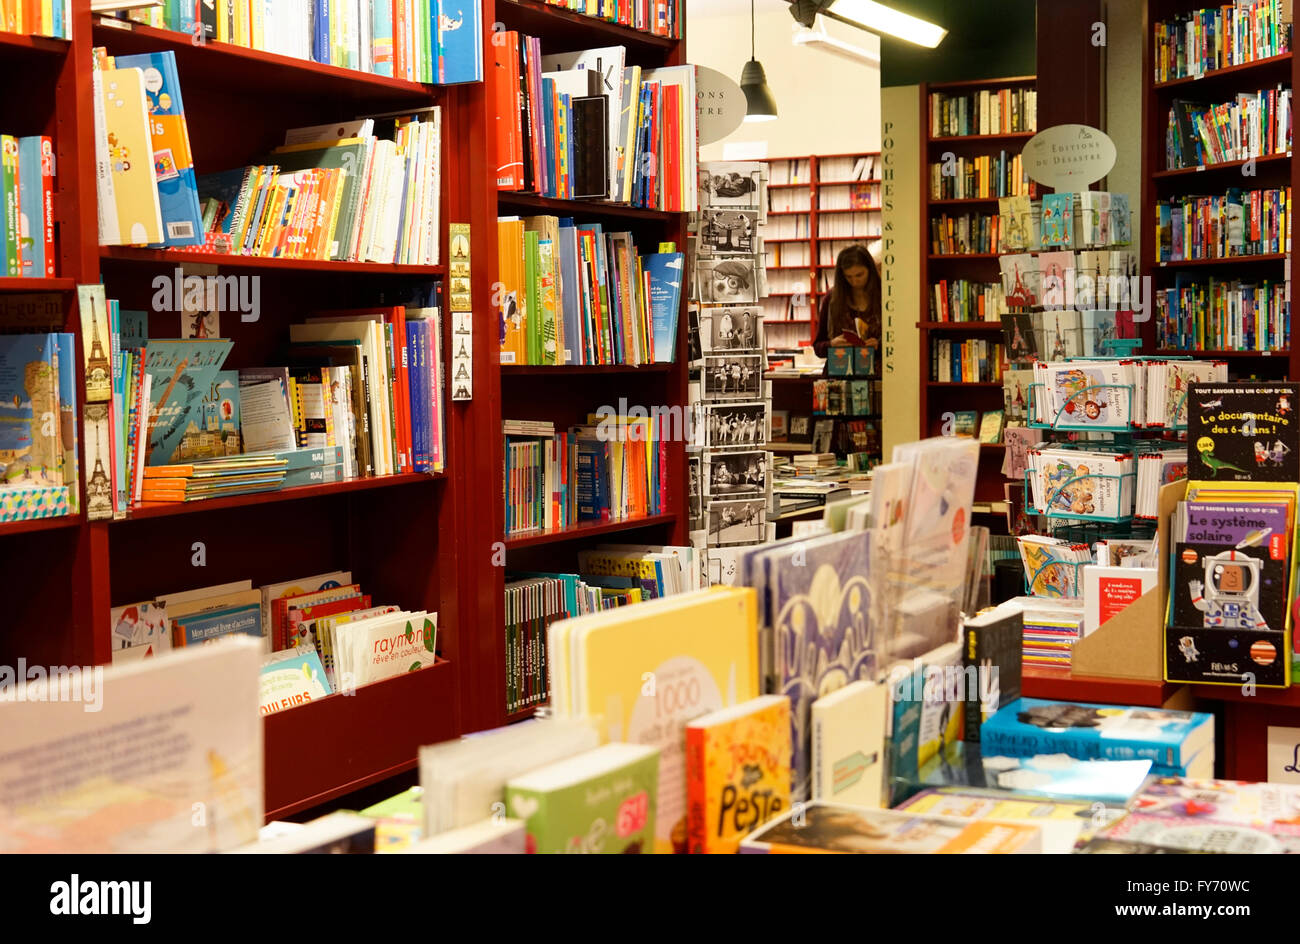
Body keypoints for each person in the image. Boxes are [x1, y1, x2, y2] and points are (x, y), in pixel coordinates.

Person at [813, 244, 882, 359]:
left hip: (877, 372)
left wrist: (879, 345)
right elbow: (818, 347)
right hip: (839, 370)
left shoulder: (884, 297)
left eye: (859, 275)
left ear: (870, 270)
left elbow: (900, 343)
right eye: (848, 277)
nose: (854, 281)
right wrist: (831, 344)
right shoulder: (832, 299)